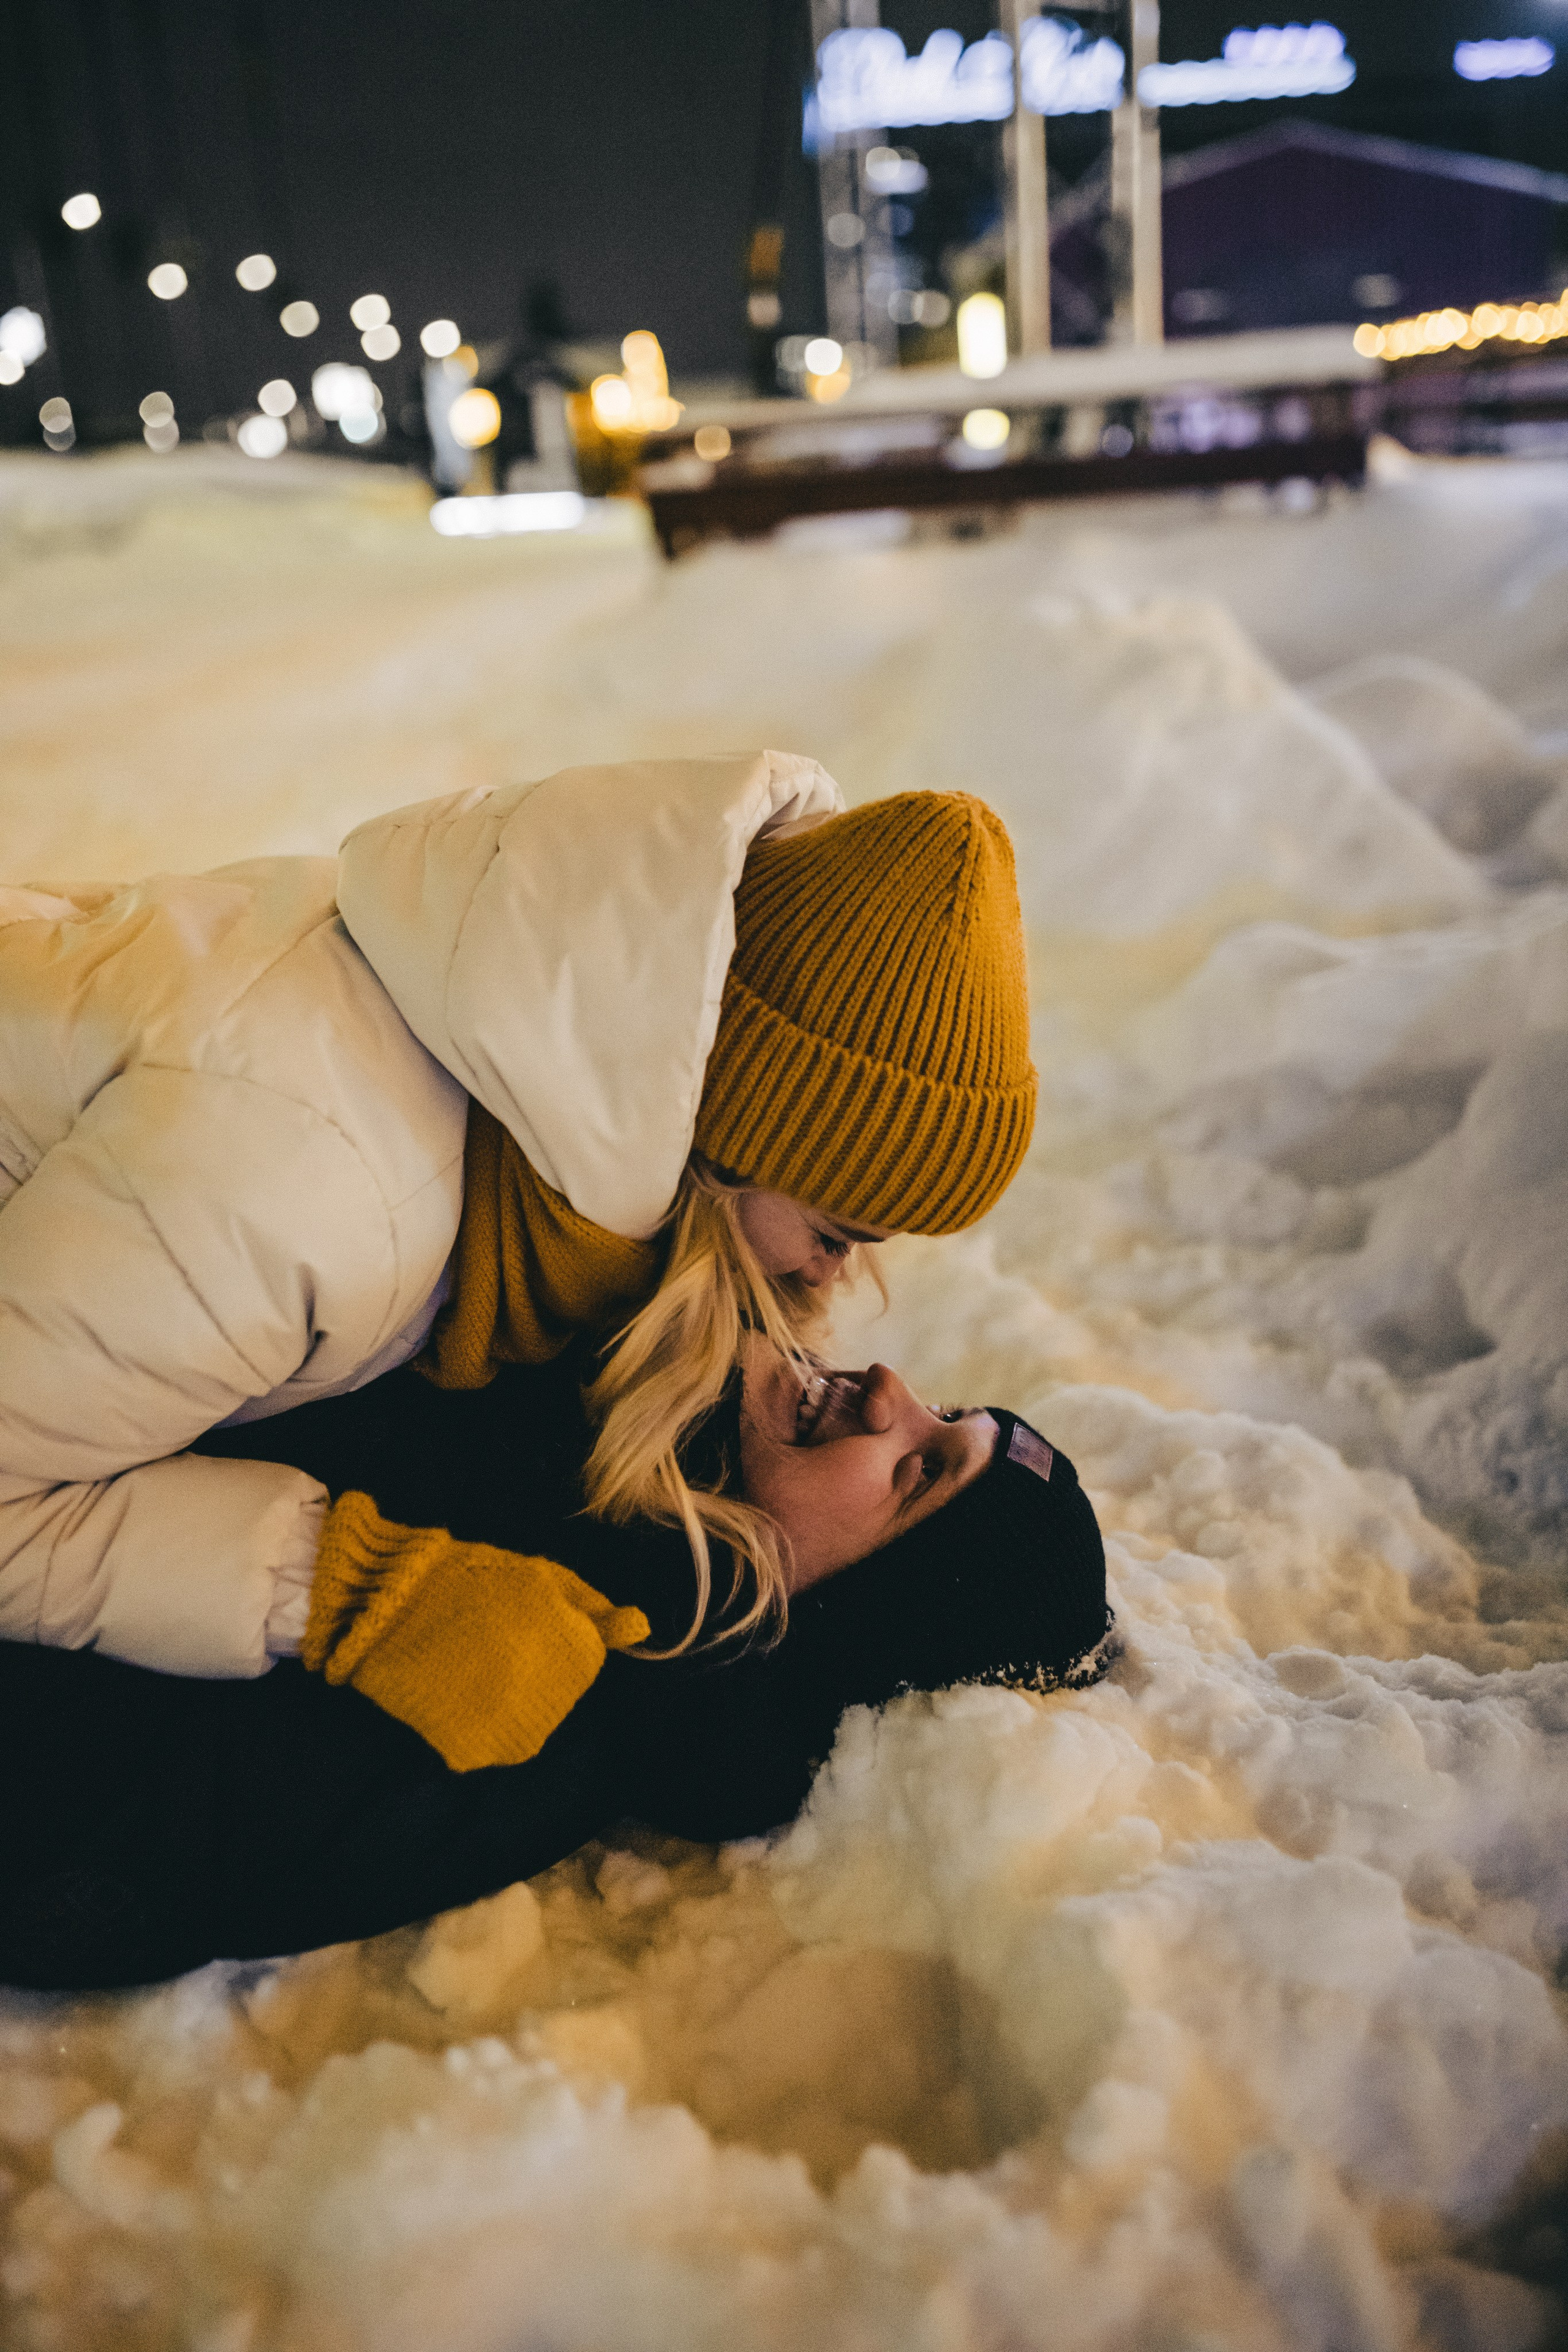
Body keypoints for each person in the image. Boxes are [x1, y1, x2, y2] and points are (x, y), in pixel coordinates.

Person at [0, 753, 1036, 1701]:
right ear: (723, 1138)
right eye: (839, 1233)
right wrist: (340, 1587)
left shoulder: (483, 1052)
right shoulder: (314, 1194)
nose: (831, 1284)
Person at [0, 1352, 1111, 1991]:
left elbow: (94, 1867)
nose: (886, 1388)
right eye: (946, 1413)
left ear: (844, 1615)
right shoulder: (641, 1415)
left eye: (917, 1470)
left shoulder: (557, 1700)